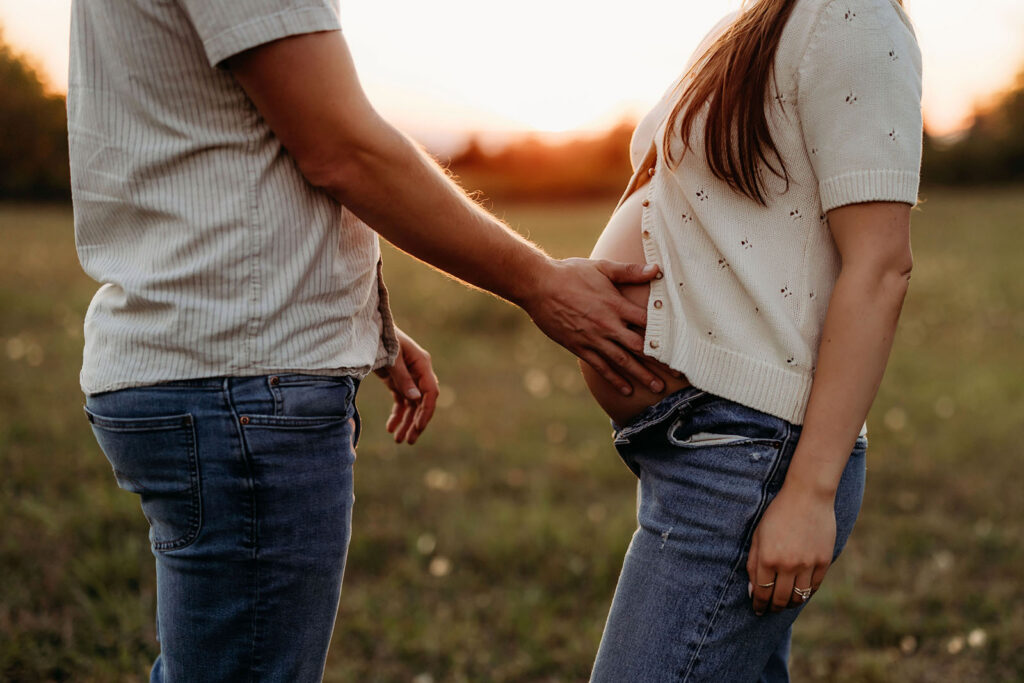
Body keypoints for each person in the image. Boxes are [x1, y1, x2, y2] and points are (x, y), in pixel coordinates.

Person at [69, 1, 667, 680]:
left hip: (213, 362)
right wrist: (540, 282)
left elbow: (229, 154)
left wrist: (356, 320)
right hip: (242, 381)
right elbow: (341, 148)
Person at [579, 0, 922, 680]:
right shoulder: (761, 18)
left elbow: (880, 266)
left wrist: (810, 493)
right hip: (705, 445)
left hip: (747, 455)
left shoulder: (854, 18)